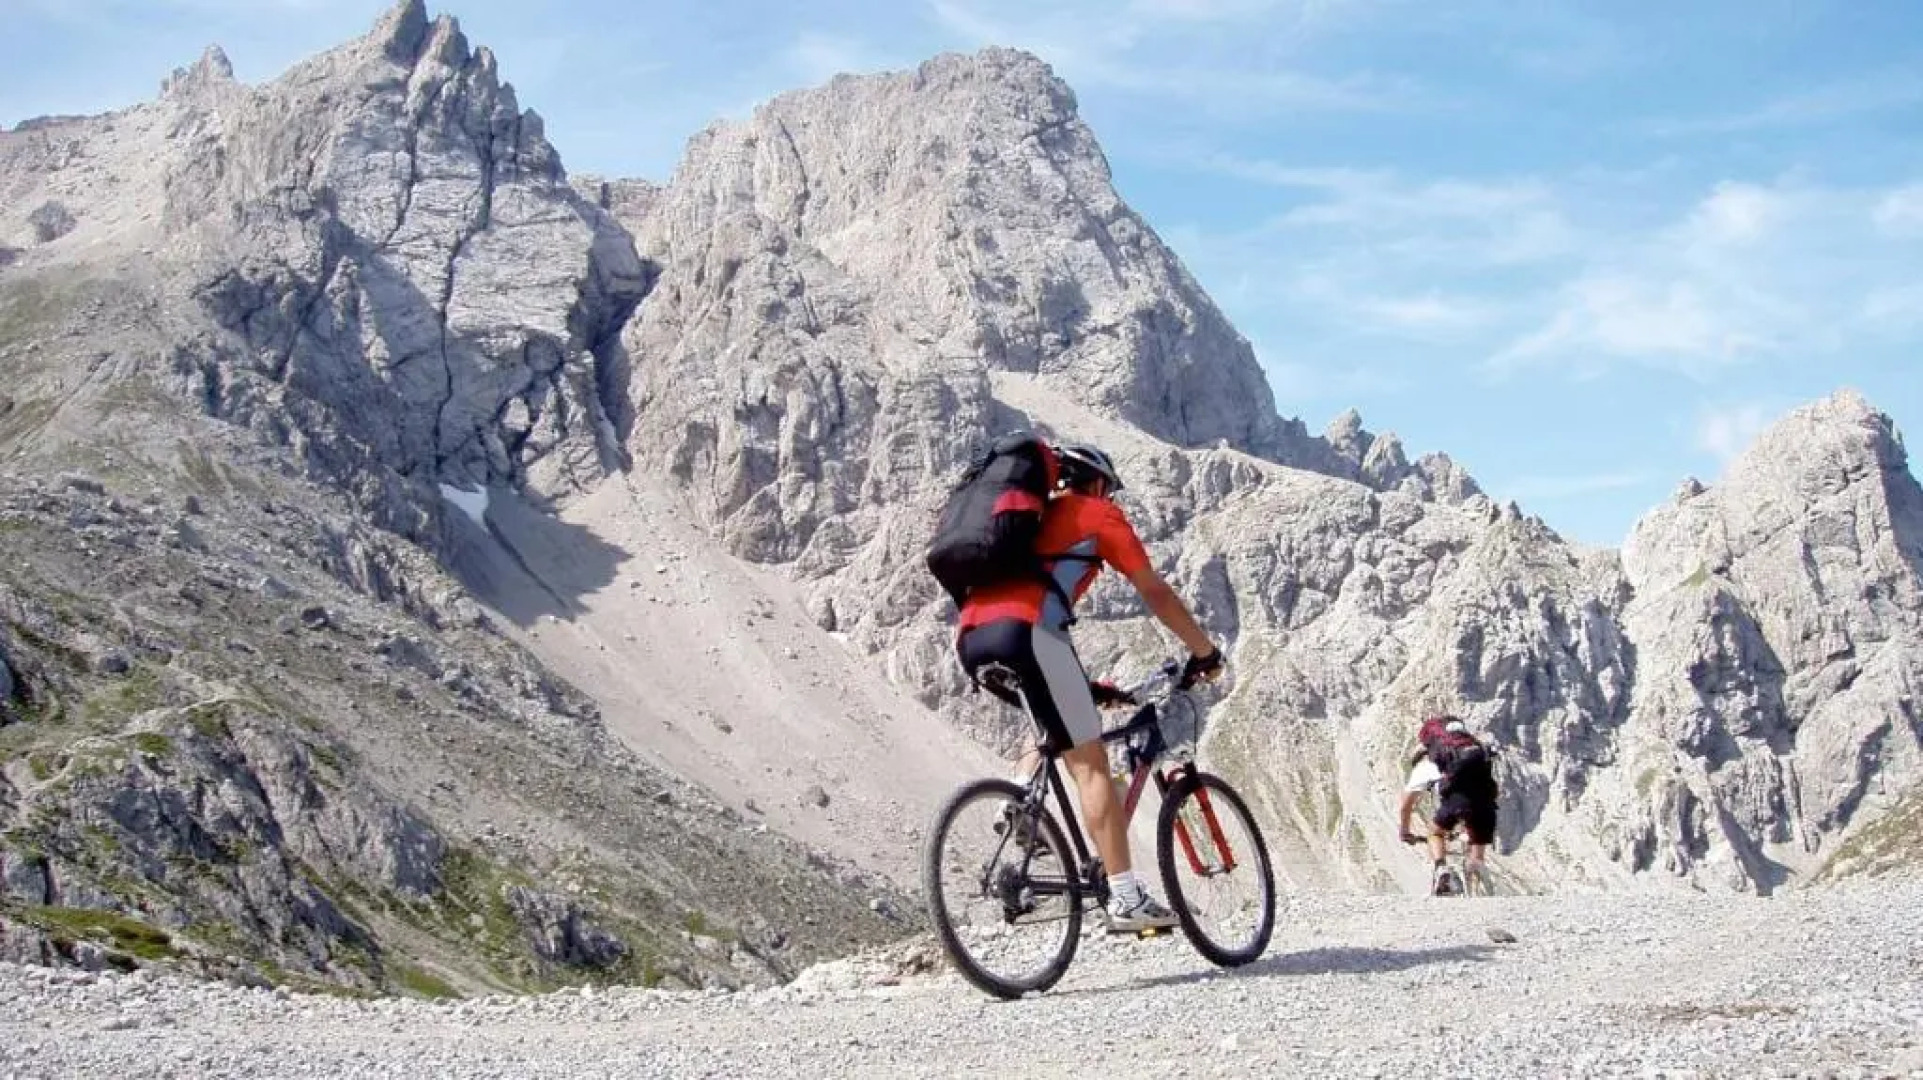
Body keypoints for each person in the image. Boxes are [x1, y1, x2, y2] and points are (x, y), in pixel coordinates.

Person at [954, 441, 1225, 932]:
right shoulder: (1098, 515)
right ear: (1100, 483)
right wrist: (1203, 651)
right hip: (1031, 634)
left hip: (975, 636)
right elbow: (1156, 592)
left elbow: (1029, 592)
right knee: (1091, 761)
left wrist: (1088, 686)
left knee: (1051, 733)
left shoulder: (1027, 519)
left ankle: (1016, 800)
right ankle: (1125, 899)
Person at [1397, 716, 1498, 896]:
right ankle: (1478, 866)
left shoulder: (1427, 765)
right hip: (1486, 800)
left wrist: (1404, 831)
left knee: (1434, 832)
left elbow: (1406, 805)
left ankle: (1441, 868)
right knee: (1474, 833)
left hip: (1456, 802)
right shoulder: (1474, 750)